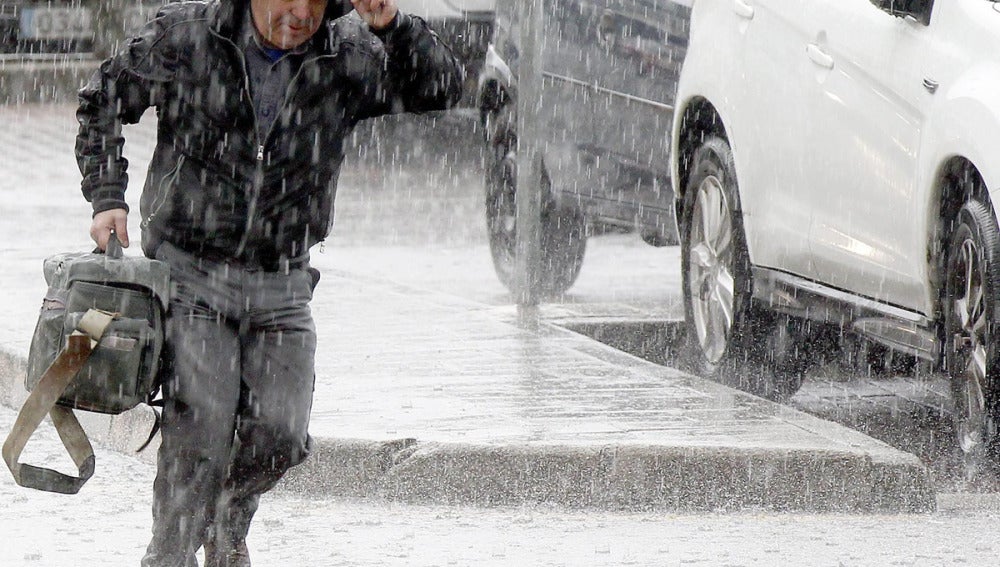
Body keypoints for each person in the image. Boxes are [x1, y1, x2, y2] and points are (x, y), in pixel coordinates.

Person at [75, 0, 463, 563]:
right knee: (201, 432)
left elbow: (442, 89)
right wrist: (107, 196)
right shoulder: (191, 37)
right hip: (191, 270)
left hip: (283, 279)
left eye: (315, 1)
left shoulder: (345, 53)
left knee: (282, 435)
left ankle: (227, 517)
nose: (300, 13)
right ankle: (173, 553)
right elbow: (103, 98)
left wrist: (393, 27)